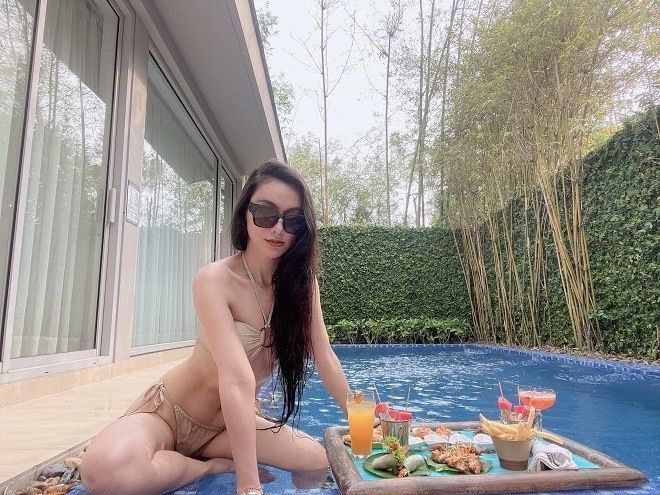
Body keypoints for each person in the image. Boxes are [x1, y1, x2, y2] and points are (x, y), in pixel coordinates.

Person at [80, 160, 352, 495]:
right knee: (104, 472)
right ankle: (207, 467)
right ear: (245, 214)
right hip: (170, 415)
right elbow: (236, 377)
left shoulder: (302, 287)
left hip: (228, 428)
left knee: (315, 459)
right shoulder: (215, 279)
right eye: (265, 213)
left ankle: (192, 462)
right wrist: (248, 485)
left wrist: (366, 421)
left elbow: (325, 358)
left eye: (292, 219)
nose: (278, 228)